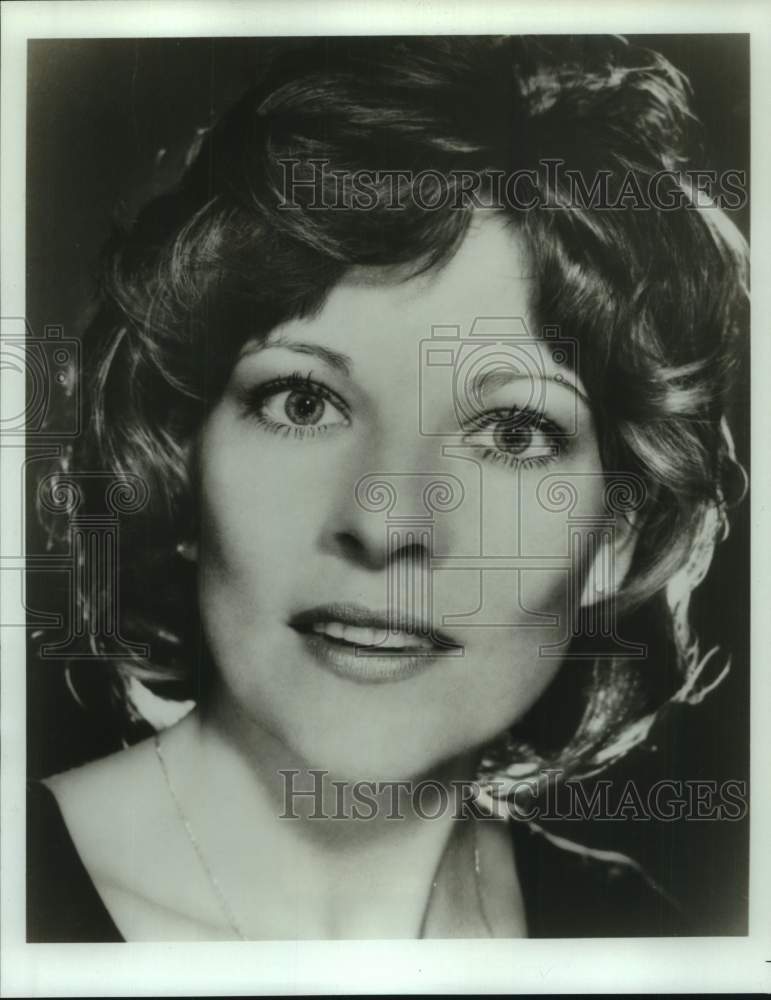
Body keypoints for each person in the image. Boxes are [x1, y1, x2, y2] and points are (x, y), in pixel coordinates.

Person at [27, 35, 748, 941]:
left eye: (514, 433)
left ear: (616, 540)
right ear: (179, 458)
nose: (386, 516)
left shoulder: (650, 939)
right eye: (302, 401)